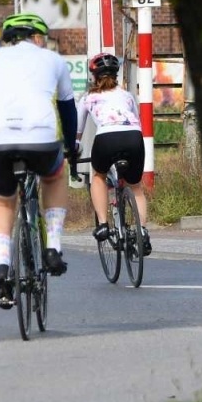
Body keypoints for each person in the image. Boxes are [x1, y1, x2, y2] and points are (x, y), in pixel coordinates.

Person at [0, 12, 77, 309]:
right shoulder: (53, 60)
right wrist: (70, 146)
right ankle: (53, 247)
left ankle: (2, 266)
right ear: (37, 37)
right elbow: (68, 109)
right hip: (40, 136)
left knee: (2, 201)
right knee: (55, 176)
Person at [77, 52, 152, 255]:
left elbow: (77, 131)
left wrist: (74, 148)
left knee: (99, 176)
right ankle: (142, 232)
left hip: (106, 139)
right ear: (116, 75)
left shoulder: (88, 98)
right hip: (134, 137)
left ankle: (103, 224)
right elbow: (136, 120)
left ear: (94, 76)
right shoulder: (127, 96)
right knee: (135, 186)